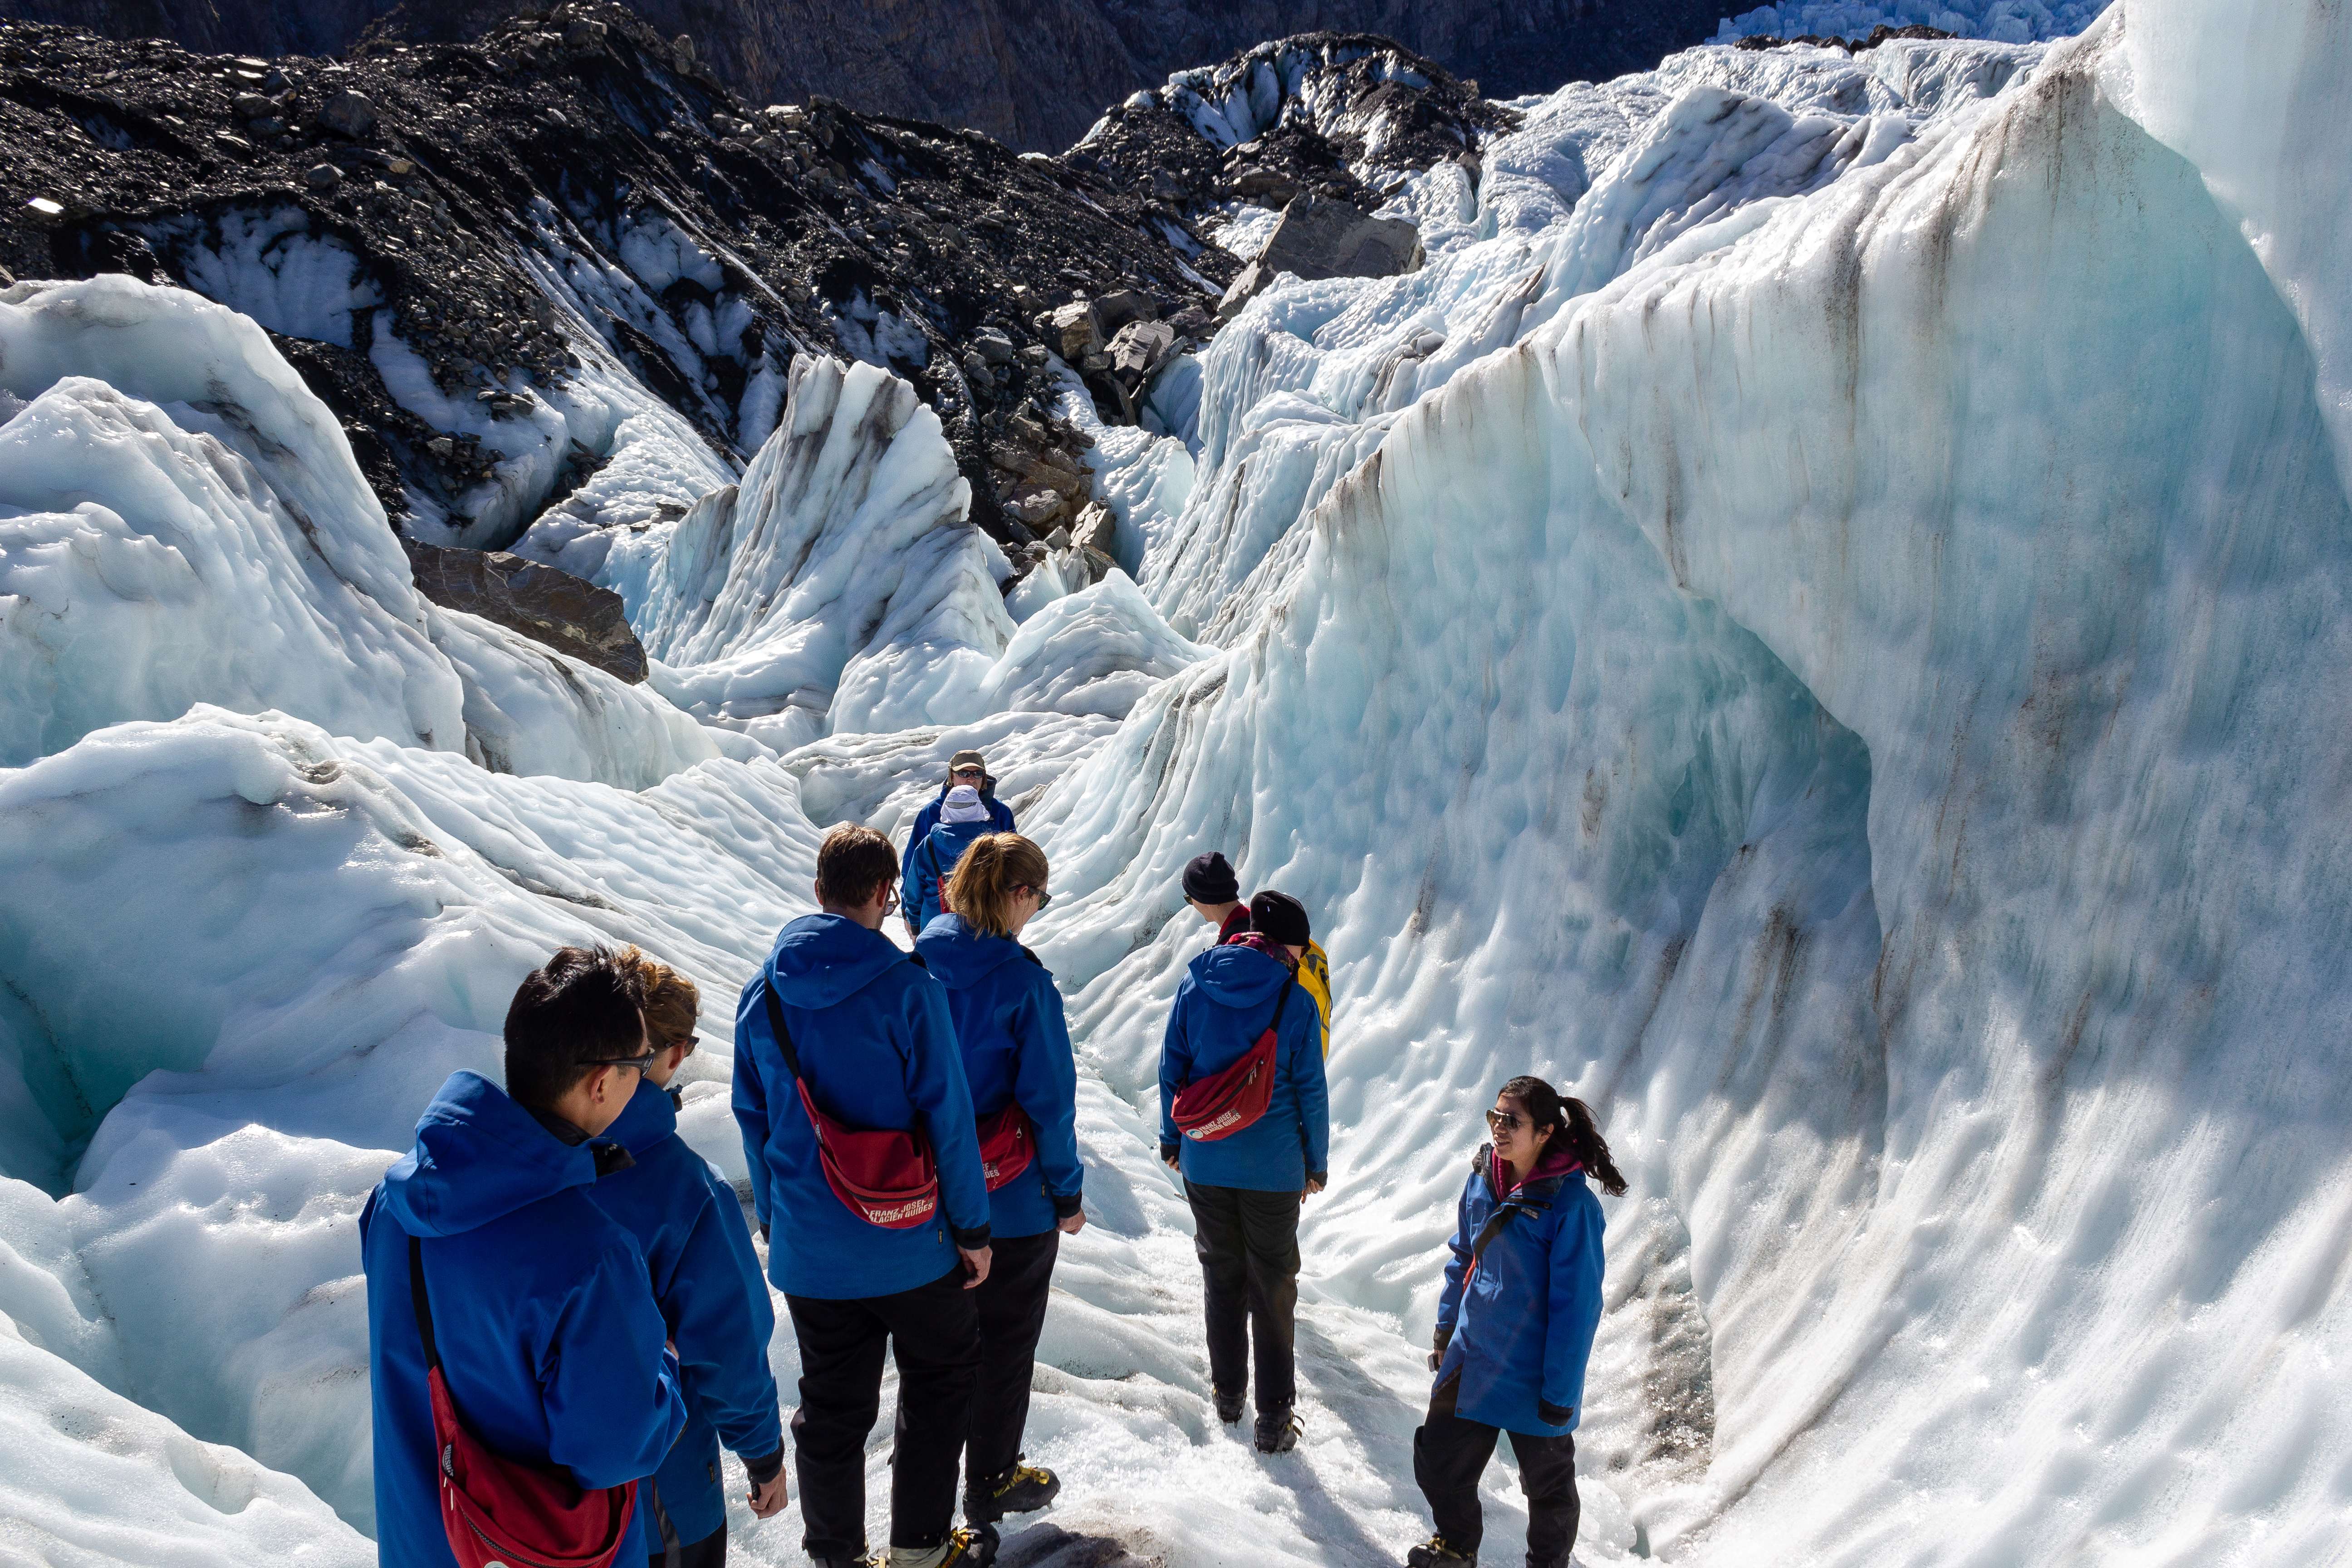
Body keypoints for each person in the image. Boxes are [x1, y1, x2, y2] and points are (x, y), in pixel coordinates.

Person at [361, 946, 687, 1568]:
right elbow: (614, 1448)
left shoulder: (392, 1207)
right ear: (600, 1082)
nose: (643, 1076)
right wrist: (664, 1371)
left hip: (423, 1544)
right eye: (640, 1063)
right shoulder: (592, 1258)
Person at [733, 824, 996, 1568]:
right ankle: (919, 1551)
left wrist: (782, 1225)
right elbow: (948, 1118)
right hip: (913, 1243)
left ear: (818, 892)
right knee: (940, 1383)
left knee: (831, 1413)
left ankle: (837, 1559)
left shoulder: (765, 997)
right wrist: (972, 1228)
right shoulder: (911, 988)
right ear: (885, 895)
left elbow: (753, 1122)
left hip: (813, 1252)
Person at [915, 834, 1087, 1529]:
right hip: (1011, 1201)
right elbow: (1049, 1099)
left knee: (936, 1355)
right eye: (1039, 897)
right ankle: (990, 1481)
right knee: (1006, 1345)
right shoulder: (1023, 982)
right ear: (1019, 895)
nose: (1038, 910)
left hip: (926, 1196)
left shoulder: (918, 962)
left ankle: (922, 1497)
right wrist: (1067, 1194)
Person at [597, 950, 788, 1568]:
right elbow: (729, 1344)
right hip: (663, 1492)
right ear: (675, 1054)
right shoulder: (685, 1189)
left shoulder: (536, 1167)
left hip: (539, 1503)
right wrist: (763, 1457)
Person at [1407, 1077, 1626, 1568]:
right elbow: (1463, 1255)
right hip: (1474, 1355)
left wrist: (1560, 1393)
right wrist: (1445, 1330)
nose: (1499, 1129)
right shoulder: (1484, 1178)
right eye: (1495, 1117)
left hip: (1534, 1372)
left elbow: (1577, 1308)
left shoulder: (1571, 1207)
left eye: (1513, 1121)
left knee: (1547, 1491)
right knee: (1438, 1460)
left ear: (1546, 1131)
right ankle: (1456, 1546)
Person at [1159, 888, 1329, 1454]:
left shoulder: (1195, 983)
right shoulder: (1295, 1000)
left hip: (1205, 1158)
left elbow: (1172, 1070)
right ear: (1286, 947)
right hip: (1275, 1168)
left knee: (1221, 1275)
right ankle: (1274, 1418)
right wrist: (1316, 1163)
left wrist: (1172, 1139)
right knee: (1274, 1286)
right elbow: (1310, 1091)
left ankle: (1228, 1393)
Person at [1188, 855, 1334, 1057]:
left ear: (1203, 898)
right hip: (1297, 1054)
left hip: (1270, 1070)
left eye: (1190, 899)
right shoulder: (1265, 922)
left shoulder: (1238, 947)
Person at [902, 752, 1016, 933]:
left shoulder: (1001, 812)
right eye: (964, 773)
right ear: (952, 777)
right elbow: (912, 867)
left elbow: (1014, 863)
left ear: (984, 777)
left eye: (977, 774)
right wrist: (907, 913)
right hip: (983, 919)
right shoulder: (931, 812)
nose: (971, 779)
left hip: (945, 920)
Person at [903, 785, 997, 936]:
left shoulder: (929, 844)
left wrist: (915, 926)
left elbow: (913, 892)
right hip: (984, 928)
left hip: (935, 928)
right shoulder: (995, 844)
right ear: (978, 808)